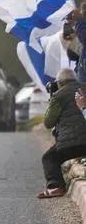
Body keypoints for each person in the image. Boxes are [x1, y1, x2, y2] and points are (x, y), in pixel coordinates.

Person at [38, 69, 86, 198]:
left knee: (49, 158)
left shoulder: (59, 95)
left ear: (60, 82)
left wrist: (52, 101)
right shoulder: (84, 88)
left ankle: (55, 186)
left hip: (67, 147)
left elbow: (48, 122)